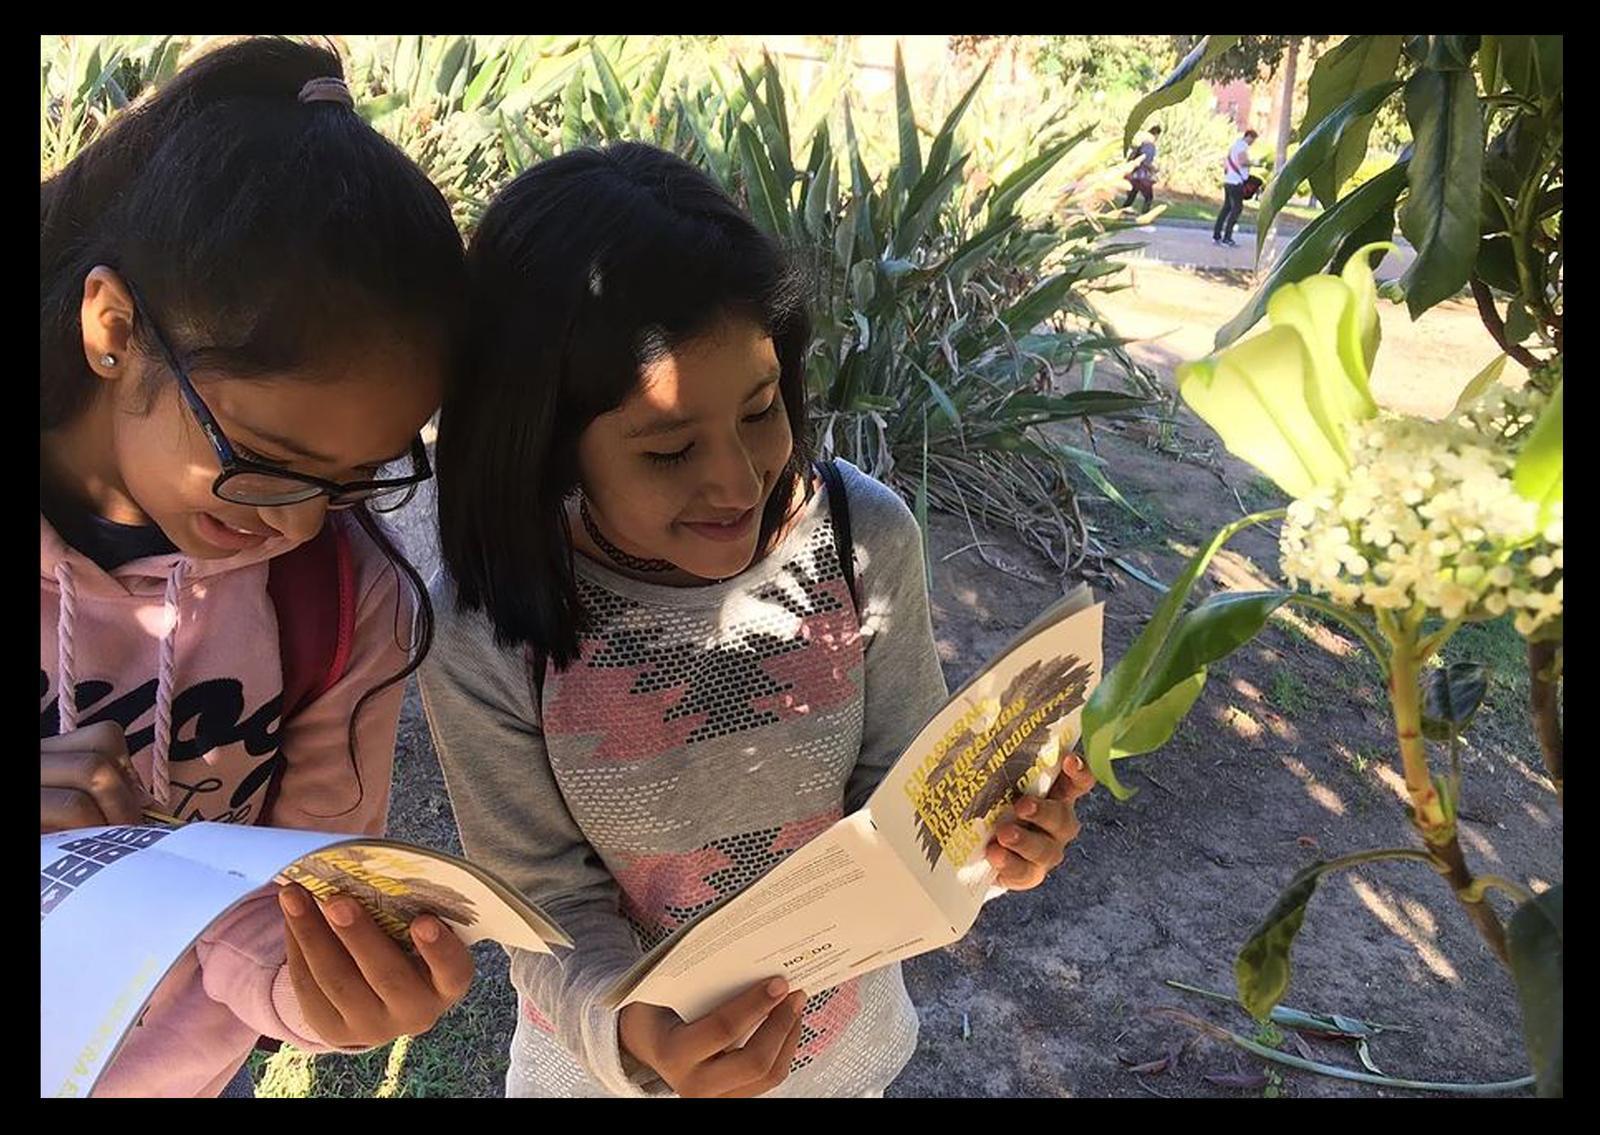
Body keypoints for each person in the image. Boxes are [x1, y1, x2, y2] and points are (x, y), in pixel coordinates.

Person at [418, 142, 1098, 1098]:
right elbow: (543, 902)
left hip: (843, 1060)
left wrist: (993, 840)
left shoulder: (864, 541)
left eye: (760, 408)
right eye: (668, 450)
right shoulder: (489, 627)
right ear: (545, 445)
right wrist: (641, 1034)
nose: (738, 482)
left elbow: (901, 798)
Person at [40, 37, 477, 1097]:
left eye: (355, 476)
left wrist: (322, 991)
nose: (299, 519)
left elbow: (275, 904)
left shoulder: (339, 597)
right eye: (267, 460)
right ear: (112, 326)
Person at [1213, 127, 1258, 247]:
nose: (1252, 143)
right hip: (1236, 182)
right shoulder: (1242, 146)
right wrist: (1254, 163)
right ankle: (1227, 238)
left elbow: (1226, 164)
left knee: (1226, 208)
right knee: (1236, 209)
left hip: (1229, 180)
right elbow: (1242, 162)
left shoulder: (1234, 146)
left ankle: (1217, 235)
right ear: (1248, 137)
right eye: (1252, 140)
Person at [1122, 124, 1162, 211]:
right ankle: (1145, 213)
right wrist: (1153, 168)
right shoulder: (1150, 146)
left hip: (1134, 174)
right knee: (1149, 197)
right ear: (1156, 135)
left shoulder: (1142, 144)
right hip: (1142, 175)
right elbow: (1145, 161)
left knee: (1132, 194)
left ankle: (1123, 210)